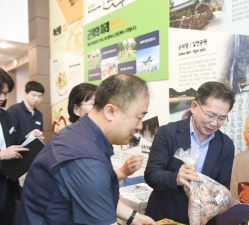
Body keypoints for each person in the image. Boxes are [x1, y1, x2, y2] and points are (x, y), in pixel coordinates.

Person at [17, 74, 156, 225]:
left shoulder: (80, 132)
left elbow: (95, 197)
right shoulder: (86, 160)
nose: (140, 126)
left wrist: (134, 217)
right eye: (139, 117)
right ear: (110, 111)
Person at [144, 81, 236, 224]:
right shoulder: (167, 133)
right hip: (166, 216)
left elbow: (223, 186)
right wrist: (176, 178)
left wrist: (213, 204)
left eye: (221, 118)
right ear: (194, 107)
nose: (214, 123)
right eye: (211, 115)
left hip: (203, 220)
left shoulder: (226, 145)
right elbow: (152, 175)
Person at [68, 82, 145, 183]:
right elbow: (91, 183)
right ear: (76, 109)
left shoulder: (93, 136)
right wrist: (123, 172)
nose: (100, 109)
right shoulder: (77, 142)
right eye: (93, 104)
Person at [0, 68, 44, 224]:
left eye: (5, 93)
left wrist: (28, 139)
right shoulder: (14, 111)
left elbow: (13, 142)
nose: (2, 98)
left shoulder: (4, 115)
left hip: (8, 184)